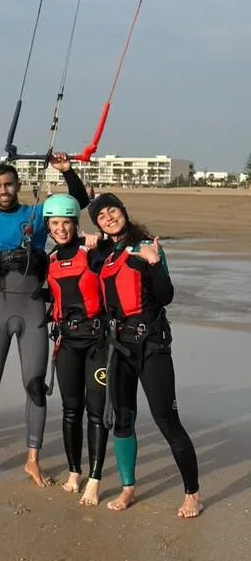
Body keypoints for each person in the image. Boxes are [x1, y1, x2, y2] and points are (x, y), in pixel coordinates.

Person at [0, 152, 89, 487]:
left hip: (32, 313)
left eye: (8, 184)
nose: (3, 190)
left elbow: (78, 202)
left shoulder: (38, 214)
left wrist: (67, 171)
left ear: (18, 186)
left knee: (35, 388)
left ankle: (32, 461)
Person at [88, 193, 203, 518]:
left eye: (113, 211)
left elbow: (166, 295)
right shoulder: (105, 255)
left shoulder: (146, 247)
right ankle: (128, 489)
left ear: (123, 212)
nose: (108, 217)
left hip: (151, 345)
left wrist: (155, 262)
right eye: (101, 216)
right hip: (119, 348)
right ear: (98, 223)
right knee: (122, 421)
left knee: (167, 420)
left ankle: (192, 494)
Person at [43, 194, 108, 506]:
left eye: (66, 222)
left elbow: (118, 247)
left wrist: (101, 243)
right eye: (55, 223)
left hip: (97, 342)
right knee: (71, 411)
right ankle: (74, 472)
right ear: (49, 226)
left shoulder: (93, 251)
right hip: (67, 342)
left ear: (74, 223)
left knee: (96, 413)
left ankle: (94, 479)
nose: (61, 228)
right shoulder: (51, 259)